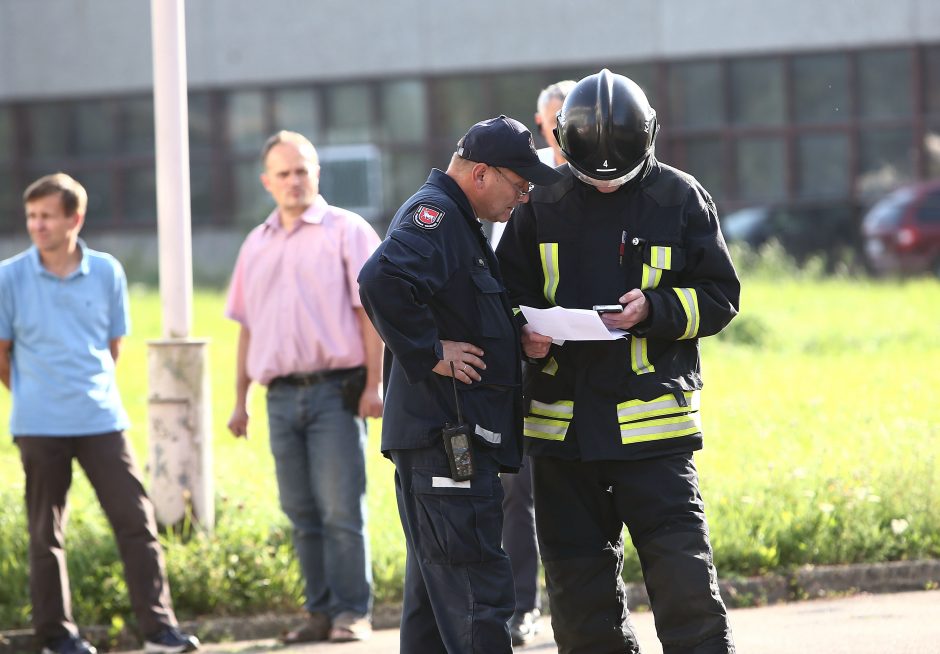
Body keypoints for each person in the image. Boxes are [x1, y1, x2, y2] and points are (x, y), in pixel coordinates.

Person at [496, 69, 740, 653]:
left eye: (618, 176)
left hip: (654, 436)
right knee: (579, 601)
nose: (605, 185)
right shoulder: (541, 204)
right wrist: (524, 334)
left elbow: (720, 296)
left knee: (684, 585)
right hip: (564, 437)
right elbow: (501, 295)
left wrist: (654, 309)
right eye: (590, 175)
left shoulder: (680, 197)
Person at [357, 115, 562, 653]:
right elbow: (381, 280)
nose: (521, 200)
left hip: (443, 442)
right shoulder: (437, 217)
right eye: (518, 187)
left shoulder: (459, 220)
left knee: (434, 605)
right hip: (446, 445)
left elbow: (458, 306)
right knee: (478, 596)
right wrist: (431, 351)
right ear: (481, 174)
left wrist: (513, 335)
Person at [0, 173, 200, 654]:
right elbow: (2, 352)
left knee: (137, 522)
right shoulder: (9, 276)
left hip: (101, 421)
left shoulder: (108, 271)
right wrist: (36, 394)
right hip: (39, 424)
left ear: (75, 217)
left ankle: (158, 630)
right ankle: (56, 637)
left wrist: (83, 390)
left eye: (47, 215)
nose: (38, 225)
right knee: (46, 534)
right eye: (32, 216)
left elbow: (114, 346)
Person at [224, 131, 383, 644]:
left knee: (341, 508)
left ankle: (351, 613)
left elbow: (371, 315)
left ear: (317, 173)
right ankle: (318, 613)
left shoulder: (347, 231)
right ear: (267, 181)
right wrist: (239, 400)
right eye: (284, 173)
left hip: (337, 391)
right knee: (300, 511)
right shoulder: (256, 243)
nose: (294, 181)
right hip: (279, 397)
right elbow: (248, 327)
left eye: (302, 170)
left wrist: (375, 386)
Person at [494, 78, 575, 648]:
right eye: (554, 123)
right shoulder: (526, 184)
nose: (563, 132)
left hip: (599, 364)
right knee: (515, 486)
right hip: (526, 357)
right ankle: (524, 605)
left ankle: (581, 602)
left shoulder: (622, 181)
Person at [491, 80, 575, 250]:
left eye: (574, 122)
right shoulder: (525, 170)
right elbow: (502, 246)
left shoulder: (606, 175)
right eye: (555, 121)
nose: (564, 131)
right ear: (540, 122)